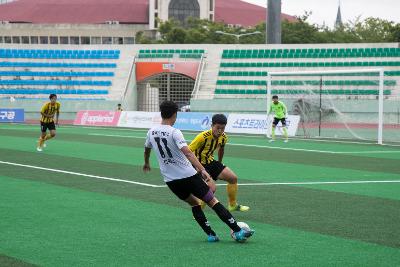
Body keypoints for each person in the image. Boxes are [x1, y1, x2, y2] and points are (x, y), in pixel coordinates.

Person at [143, 101, 254, 242]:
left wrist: (146, 162)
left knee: (194, 203)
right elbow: (189, 153)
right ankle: (238, 231)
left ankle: (211, 235)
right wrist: (202, 170)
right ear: (174, 115)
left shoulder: (151, 132)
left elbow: (147, 149)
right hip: (188, 175)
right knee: (212, 201)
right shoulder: (175, 132)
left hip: (170, 180)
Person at [189, 114, 249, 212]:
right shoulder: (202, 137)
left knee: (232, 178)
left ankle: (232, 205)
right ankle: (198, 211)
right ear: (212, 125)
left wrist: (219, 164)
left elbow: (221, 149)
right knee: (211, 188)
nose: (220, 131)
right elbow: (188, 151)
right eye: (218, 128)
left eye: (223, 128)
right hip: (198, 164)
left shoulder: (224, 137)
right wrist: (195, 167)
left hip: (211, 162)